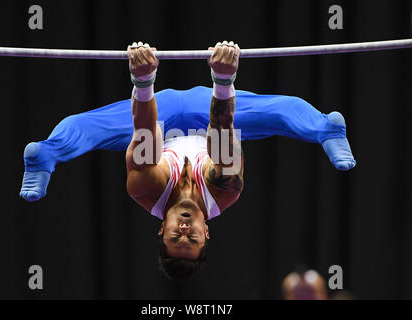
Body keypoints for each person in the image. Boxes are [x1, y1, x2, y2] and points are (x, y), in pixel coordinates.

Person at [20, 41, 356, 280]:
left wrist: (143, 83)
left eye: (174, 238)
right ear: (206, 233)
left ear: (160, 231)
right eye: (191, 239)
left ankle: (44, 155)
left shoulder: (144, 190)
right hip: (206, 115)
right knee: (279, 111)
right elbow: (222, 129)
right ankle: (326, 128)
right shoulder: (225, 191)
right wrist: (224, 82)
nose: (183, 231)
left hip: (159, 120)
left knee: (89, 128)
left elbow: (145, 130)